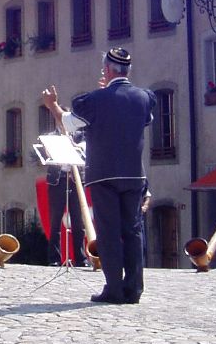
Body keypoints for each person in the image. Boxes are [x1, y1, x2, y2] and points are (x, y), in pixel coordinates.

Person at [49, 48, 154, 303]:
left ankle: (114, 288)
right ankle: (134, 288)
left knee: (108, 231)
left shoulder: (94, 100)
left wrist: (53, 106)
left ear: (106, 70)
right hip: (133, 175)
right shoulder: (143, 98)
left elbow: (69, 124)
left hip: (103, 174)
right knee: (133, 230)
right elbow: (144, 120)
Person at [40, 86, 88, 269]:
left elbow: (85, 153)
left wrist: (75, 146)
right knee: (55, 221)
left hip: (76, 181)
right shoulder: (51, 137)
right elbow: (47, 153)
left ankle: (81, 258)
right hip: (57, 180)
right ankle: (54, 257)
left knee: (78, 221)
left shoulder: (80, 137)